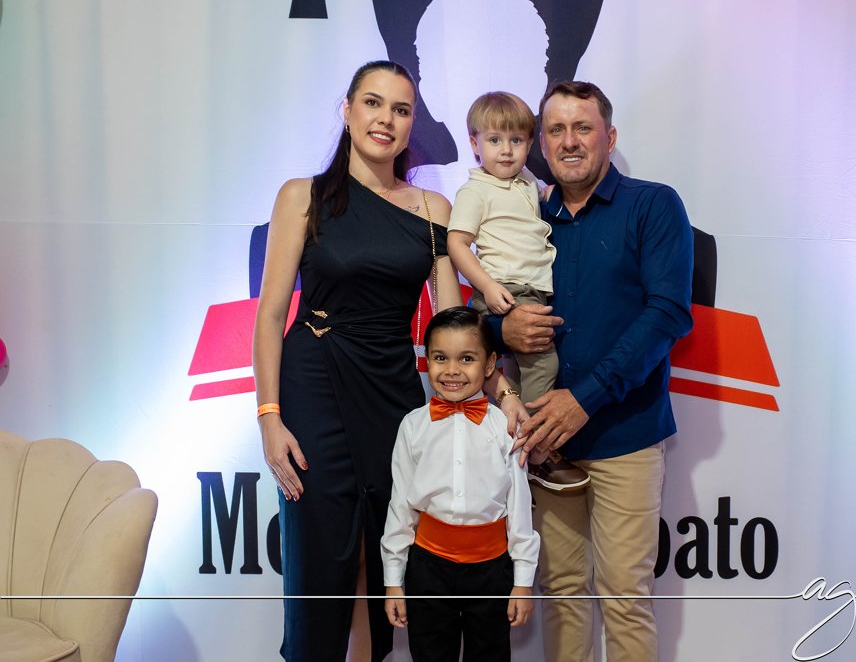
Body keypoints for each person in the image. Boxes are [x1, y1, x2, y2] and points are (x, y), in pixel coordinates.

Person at [251, 60, 525, 662]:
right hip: (314, 382)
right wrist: (269, 416)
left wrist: (502, 391)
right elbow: (270, 316)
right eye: (373, 103)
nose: (386, 119)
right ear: (347, 111)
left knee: (385, 546)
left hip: (393, 390)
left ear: (410, 126)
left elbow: (455, 327)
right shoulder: (302, 197)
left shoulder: (433, 209)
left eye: (401, 110)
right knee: (320, 548)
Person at [501, 81, 694, 661]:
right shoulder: (525, 214)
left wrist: (583, 398)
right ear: (541, 144)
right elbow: (491, 307)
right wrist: (500, 330)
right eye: (556, 130)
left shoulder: (653, 205)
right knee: (561, 594)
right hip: (544, 442)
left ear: (609, 137)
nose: (569, 141)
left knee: (625, 598)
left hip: (626, 436)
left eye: (582, 128)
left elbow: (667, 313)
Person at [447, 91, 589, 492]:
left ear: (530, 144)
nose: (506, 151)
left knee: (526, 372)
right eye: (494, 140)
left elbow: (545, 195)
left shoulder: (526, 180)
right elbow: (458, 243)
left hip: (532, 290)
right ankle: (536, 448)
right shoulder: (476, 190)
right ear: (474, 144)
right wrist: (488, 287)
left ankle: (511, 448)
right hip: (506, 290)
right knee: (543, 363)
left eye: (516, 140)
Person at [381, 306, 539, 661]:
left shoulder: (506, 427)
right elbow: (400, 506)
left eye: (466, 358)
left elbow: (519, 508)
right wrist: (393, 580)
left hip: (493, 570)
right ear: (427, 360)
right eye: (440, 358)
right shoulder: (412, 426)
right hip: (428, 569)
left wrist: (522, 581)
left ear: (489, 364)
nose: (452, 370)